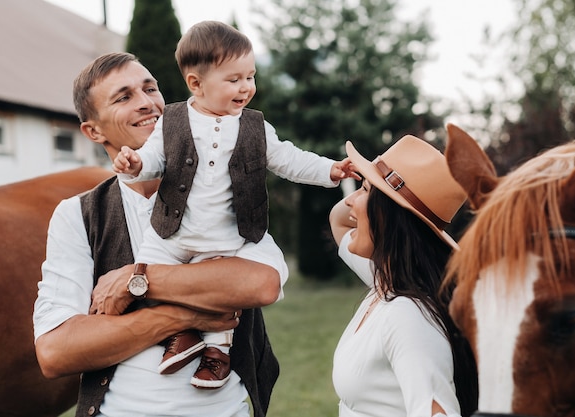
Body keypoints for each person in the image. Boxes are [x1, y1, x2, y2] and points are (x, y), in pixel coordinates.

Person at [33, 52, 289, 417]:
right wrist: (182, 317)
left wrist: (132, 280)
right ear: (94, 131)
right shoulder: (77, 215)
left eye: (150, 88)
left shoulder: (221, 188)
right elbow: (56, 351)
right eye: (124, 97)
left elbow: (260, 284)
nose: (147, 103)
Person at [113, 20, 359, 389]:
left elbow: (289, 159)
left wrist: (330, 169)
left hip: (229, 236)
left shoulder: (256, 127)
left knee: (225, 288)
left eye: (250, 76)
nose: (246, 87)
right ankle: (182, 333)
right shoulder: (173, 121)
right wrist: (134, 165)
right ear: (196, 83)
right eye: (234, 79)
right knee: (150, 273)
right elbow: (153, 159)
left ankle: (217, 351)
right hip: (172, 232)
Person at [328, 136, 479, 417]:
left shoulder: (409, 315)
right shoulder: (389, 280)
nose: (350, 200)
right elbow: (338, 219)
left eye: (363, 190)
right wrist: (373, 186)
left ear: (391, 216)